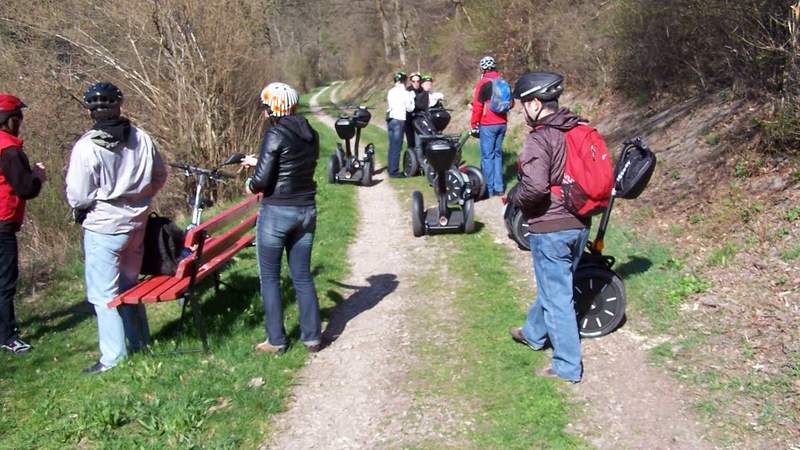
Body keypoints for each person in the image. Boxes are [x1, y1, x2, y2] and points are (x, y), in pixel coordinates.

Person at [66, 82, 167, 374]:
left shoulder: (87, 147)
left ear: (90, 111)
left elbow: (79, 195)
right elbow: (159, 175)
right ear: (119, 105)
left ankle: (112, 358)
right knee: (128, 288)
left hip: (104, 227)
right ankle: (139, 343)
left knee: (103, 295)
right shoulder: (141, 138)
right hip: (137, 223)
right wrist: (142, 198)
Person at [507, 71, 591, 383]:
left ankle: (568, 366)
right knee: (556, 285)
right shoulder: (577, 128)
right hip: (579, 223)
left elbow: (535, 188)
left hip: (551, 226)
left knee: (558, 297)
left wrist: (514, 198)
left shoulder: (540, 139)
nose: (522, 110)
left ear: (535, 103)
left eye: (523, 104)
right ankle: (532, 333)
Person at [243, 82, 322, 354]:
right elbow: (293, 162)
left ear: (273, 108)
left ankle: (276, 340)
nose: (264, 113)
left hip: (277, 213)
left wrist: (250, 184)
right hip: (306, 210)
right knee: (302, 276)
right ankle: (312, 337)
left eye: (266, 108)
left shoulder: (275, 133)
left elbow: (263, 180)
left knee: (270, 278)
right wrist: (260, 160)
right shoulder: (310, 132)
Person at [0, 94, 46, 354]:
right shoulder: (9, 149)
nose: (21, 123)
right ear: (9, 120)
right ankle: (7, 337)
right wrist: (37, 176)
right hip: (2, 223)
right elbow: (25, 188)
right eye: (18, 118)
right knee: (5, 282)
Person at [470, 56, 511, 196]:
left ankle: (489, 188)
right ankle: (500, 188)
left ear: (483, 68)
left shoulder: (483, 83)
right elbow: (512, 103)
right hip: (502, 123)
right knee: (498, 155)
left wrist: (474, 123)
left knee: (487, 156)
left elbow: (478, 106)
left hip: (488, 124)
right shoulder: (502, 82)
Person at [386, 71, 415, 177]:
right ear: (405, 81)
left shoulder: (390, 91)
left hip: (390, 119)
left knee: (391, 145)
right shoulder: (406, 93)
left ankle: (390, 169)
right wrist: (412, 98)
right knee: (397, 147)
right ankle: (394, 172)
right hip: (399, 120)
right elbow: (410, 108)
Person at [405, 72, 422, 150]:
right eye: (414, 81)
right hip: (409, 120)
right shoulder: (407, 91)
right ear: (410, 81)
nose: (416, 83)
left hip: (420, 120)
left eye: (418, 81)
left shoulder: (422, 91)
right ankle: (411, 159)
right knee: (411, 142)